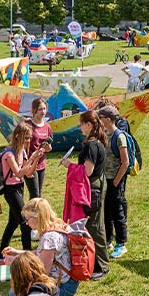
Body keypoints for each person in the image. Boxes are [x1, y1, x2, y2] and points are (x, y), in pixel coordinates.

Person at [61, 111, 108, 280]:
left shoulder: (91, 146)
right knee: (94, 225)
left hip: (92, 188)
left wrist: (69, 165)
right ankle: (96, 262)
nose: (80, 127)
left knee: (94, 227)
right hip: (97, 186)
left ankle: (101, 265)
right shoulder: (96, 143)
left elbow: (87, 171)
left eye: (81, 124)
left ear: (89, 125)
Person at [2, 198, 80, 296]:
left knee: (14, 295)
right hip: (69, 281)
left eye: (27, 219)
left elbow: (42, 273)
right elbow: (40, 253)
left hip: (63, 286)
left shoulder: (49, 239)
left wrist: (15, 263)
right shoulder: (57, 226)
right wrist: (18, 253)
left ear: (37, 217)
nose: (26, 223)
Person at [0, 123, 48, 259]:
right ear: (17, 136)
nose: (28, 141)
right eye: (26, 138)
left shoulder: (23, 151)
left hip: (19, 188)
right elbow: (19, 173)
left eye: (30, 138)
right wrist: (32, 158)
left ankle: (1, 254)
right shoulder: (9, 154)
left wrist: (36, 158)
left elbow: (29, 173)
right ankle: (29, 257)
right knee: (25, 223)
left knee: (12, 223)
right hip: (11, 190)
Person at [98, 106, 130, 260]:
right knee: (106, 211)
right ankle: (108, 240)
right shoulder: (104, 134)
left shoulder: (119, 137)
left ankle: (121, 243)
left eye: (101, 117)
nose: (99, 120)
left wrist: (116, 182)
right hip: (105, 179)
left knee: (117, 212)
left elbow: (125, 162)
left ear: (109, 119)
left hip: (116, 180)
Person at [24, 98, 53, 199]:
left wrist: (48, 147)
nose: (43, 112)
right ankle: (31, 214)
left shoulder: (47, 127)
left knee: (38, 194)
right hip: (29, 163)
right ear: (34, 110)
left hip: (41, 164)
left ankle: (35, 214)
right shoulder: (27, 125)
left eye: (44, 109)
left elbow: (49, 148)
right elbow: (19, 142)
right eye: (40, 109)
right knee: (34, 193)